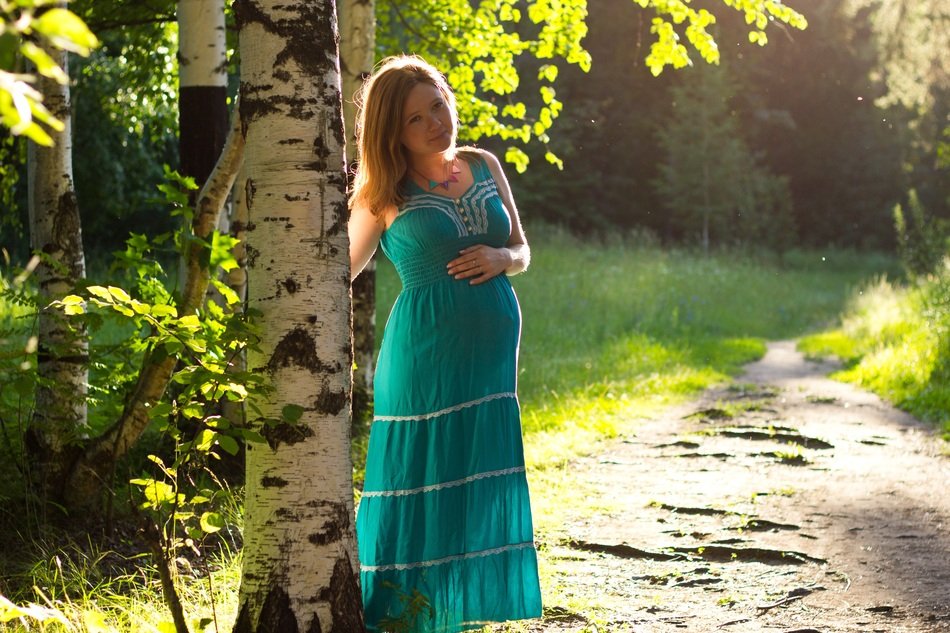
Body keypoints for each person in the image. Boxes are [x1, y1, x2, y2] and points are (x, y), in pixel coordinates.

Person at [348, 54, 543, 632]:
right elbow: (337, 269)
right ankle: (401, 615)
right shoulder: (382, 192)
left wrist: (501, 257)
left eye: (438, 104)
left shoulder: (483, 164)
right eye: (416, 118)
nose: (437, 121)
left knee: (475, 468)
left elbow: (522, 251)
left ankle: (459, 610)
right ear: (392, 132)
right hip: (423, 353)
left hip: (490, 356)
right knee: (419, 474)